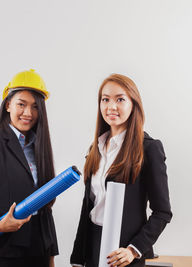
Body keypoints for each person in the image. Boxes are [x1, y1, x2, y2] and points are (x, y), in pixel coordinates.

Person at [70, 74, 172, 267]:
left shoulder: (149, 149)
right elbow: (89, 207)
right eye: (105, 99)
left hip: (123, 252)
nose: (111, 106)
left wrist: (133, 250)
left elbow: (162, 212)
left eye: (120, 99)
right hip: (92, 246)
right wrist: (78, 258)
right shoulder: (96, 148)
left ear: (133, 104)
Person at [0, 69, 58, 267]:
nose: (28, 113)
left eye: (35, 107)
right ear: (8, 104)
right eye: (21, 104)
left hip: (40, 247)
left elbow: (45, 207)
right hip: (6, 248)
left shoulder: (40, 146)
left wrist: (51, 252)